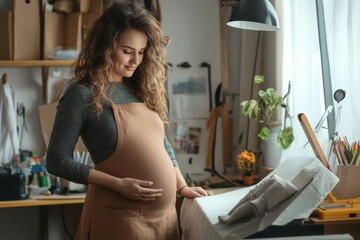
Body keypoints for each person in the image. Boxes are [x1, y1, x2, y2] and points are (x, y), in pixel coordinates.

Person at [46, 2, 208, 240]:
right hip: (119, 219)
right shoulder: (81, 94)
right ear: (106, 47)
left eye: (142, 52)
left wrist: (181, 186)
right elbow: (57, 161)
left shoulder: (142, 89)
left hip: (165, 220)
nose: (136, 60)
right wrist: (117, 184)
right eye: (127, 50)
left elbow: (161, 145)